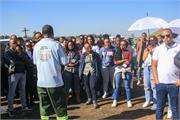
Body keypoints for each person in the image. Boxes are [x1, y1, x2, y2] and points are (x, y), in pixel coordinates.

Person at [33, 25, 68, 120]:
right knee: (60, 107)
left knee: (44, 107)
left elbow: (35, 62)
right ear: (52, 33)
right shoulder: (56, 44)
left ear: (42, 33)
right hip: (55, 82)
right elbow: (65, 61)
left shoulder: (36, 46)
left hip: (41, 83)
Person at [152, 28, 180, 119]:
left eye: (168, 35)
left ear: (172, 35)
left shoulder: (179, 47)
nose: (166, 38)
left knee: (175, 108)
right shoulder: (158, 49)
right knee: (160, 108)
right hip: (161, 84)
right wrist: (156, 80)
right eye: (163, 36)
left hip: (174, 84)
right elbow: (154, 65)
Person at [5, 35, 29, 117]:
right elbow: (12, 62)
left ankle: (24, 106)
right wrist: (21, 62)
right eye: (14, 42)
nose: (15, 44)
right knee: (11, 93)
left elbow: (27, 60)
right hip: (13, 74)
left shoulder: (20, 51)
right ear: (10, 43)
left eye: (16, 42)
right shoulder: (8, 52)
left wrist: (20, 53)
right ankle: (10, 109)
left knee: (23, 91)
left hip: (22, 73)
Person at [111, 40, 133, 108]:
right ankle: (115, 100)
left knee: (127, 86)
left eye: (124, 44)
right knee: (117, 86)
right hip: (118, 70)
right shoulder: (116, 52)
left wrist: (120, 62)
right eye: (121, 44)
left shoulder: (129, 52)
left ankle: (129, 100)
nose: (122, 46)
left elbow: (128, 61)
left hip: (127, 70)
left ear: (126, 45)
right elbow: (115, 62)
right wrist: (123, 60)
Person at [79, 43, 100, 109]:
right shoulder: (83, 55)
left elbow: (99, 63)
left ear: (91, 47)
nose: (87, 48)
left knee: (92, 86)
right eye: (86, 47)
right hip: (85, 72)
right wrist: (80, 73)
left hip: (93, 72)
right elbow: (81, 64)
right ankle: (89, 98)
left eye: (88, 47)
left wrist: (98, 72)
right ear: (84, 48)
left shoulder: (95, 54)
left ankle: (94, 100)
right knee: (86, 86)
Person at [142, 36, 157, 110]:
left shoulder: (158, 49)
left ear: (155, 41)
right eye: (150, 40)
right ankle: (148, 100)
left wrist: (152, 53)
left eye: (152, 40)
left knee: (153, 86)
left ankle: (155, 103)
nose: (151, 42)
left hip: (153, 68)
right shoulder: (146, 49)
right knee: (146, 85)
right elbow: (143, 59)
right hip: (146, 68)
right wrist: (148, 51)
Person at [100, 34, 115, 98]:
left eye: (108, 42)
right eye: (106, 42)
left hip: (112, 67)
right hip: (104, 67)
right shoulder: (102, 49)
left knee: (112, 80)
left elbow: (114, 57)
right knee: (105, 80)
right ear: (104, 42)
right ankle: (105, 92)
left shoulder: (113, 49)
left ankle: (113, 92)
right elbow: (100, 58)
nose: (107, 43)